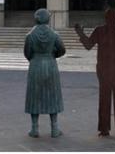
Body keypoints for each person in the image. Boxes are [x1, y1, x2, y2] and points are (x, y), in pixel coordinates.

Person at [74, 8, 115, 136]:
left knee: (104, 99)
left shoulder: (100, 31)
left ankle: (104, 128)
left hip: (104, 70)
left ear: (105, 18)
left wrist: (80, 34)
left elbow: (88, 45)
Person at [24, 9, 65, 138]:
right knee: (53, 96)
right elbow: (62, 50)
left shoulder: (30, 35)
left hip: (36, 65)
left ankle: (34, 129)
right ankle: (54, 128)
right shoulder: (54, 34)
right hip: (50, 65)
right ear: (48, 19)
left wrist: (35, 57)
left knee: (34, 96)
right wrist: (53, 54)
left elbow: (27, 53)